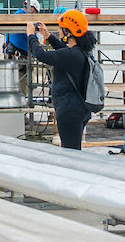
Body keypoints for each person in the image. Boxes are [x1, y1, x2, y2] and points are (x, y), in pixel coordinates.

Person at [28, 8, 100, 150]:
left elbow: (41, 55)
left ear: (68, 32)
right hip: (79, 109)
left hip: (69, 111)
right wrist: (48, 36)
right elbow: (63, 50)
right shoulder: (81, 51)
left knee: (70, 153)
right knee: (73, 150)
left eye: (60, 29)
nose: (58, 31)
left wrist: (31, 36)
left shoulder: (72, 55)